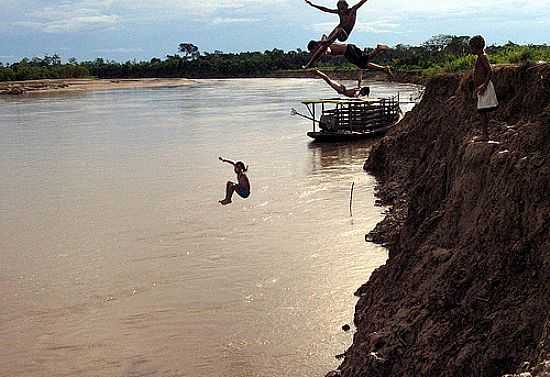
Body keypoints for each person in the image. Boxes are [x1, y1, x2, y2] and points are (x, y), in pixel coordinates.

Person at [303, 0, 370, 68]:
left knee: (339, 29)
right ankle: (324, 45)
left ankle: (327, 42)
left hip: (344, 35)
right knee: (325, 37)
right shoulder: (339, 12)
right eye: (340, 9)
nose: (342, 11)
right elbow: (326, 9)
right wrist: (312, 5)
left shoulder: (353, 10)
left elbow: (362, 2)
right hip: (337, 33)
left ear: (347, 6)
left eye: (343, 8)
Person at [469, 35, 498, 141]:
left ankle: (485, 135)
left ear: (476, 47)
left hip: (484, 87)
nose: (471, 50)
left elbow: (490, 71)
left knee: (482, 111)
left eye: (472, 48)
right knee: (482, 111)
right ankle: (484, 134)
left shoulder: (482, 57)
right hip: (481, 87)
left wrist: (483, 86)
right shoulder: (480, 57)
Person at [307, 41, 393, 75]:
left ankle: (378, 49)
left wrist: (325, 52)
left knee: (362, 63)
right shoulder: (325, 42)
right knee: (363, 64)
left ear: (315, 47)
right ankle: (383, 68)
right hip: (349, 49)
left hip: (348, 51)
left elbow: (328, 50)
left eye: (313, 51)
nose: (315, 53)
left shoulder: (323, 47)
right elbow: (324, 36)